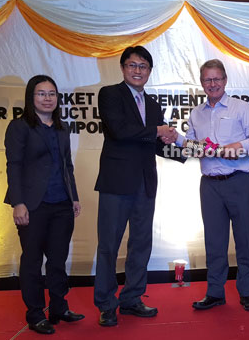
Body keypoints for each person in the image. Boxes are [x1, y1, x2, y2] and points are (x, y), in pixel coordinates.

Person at [93, 46, 183, 327]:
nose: (137, 70)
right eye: (132, 65)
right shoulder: (110, 94)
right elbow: (120, 131)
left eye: (143, 66)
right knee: (108, 245)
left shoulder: (154, 104)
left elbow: (156, 144)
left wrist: (187, 150)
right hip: (116, 183)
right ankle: (107, 304)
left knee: (141, 244)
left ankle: (132, 298)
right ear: (122, 68)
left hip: (145, 184)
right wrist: (158, 131)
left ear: (149, 71)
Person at [179, 59, 249, 311]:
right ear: (202, 82)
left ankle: (247, 292)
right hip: (210, 185)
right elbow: (193, 147)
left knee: (244, 240)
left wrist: (237, 147)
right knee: (214, 241)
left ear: (225, 80)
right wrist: (180, 140)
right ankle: (215, 292)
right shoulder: (196, 113)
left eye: (217, 79)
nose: (213, 84)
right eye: (208, 79)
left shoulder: (241, 108)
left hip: (240, 181)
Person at [4, 75, 84, 335]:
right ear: (31, 97)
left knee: (58, 260)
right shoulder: (19, 127)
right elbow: (13, 166)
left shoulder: (61, 128)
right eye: (41, 93)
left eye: (52, 93)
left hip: (61, 204)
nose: (48, 98)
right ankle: (36, 314)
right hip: (32, 205)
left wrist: (73, 196)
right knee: (32, 261)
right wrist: (18, 203)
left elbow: (66, 166)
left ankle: (59, 307)